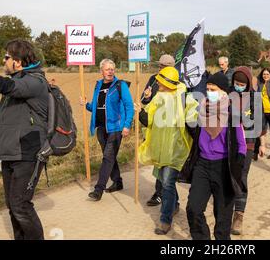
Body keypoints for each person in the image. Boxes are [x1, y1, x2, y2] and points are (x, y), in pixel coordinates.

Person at [0, 39, 49, 240]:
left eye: (6, 57)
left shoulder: (34, 81)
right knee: (13, 206)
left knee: (21, 205)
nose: (4, 61)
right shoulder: (19, 81)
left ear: (18, 61)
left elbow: (1, 84)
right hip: (11, 152)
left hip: (28, 153)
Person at [181, 72, 246, 240]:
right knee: (193, 209)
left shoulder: (232, 113)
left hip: (223, 167)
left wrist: (238, 162)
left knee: (223, 218)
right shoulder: (202, 109)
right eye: (207, 89)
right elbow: (195, 133)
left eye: (213, 89)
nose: (209, 92)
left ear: (223, 92)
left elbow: (241, 143)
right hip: (202, 165)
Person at [137, 66, 199, 235]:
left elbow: (194, 124)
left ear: (166, 82)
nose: (157, 82)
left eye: (160, 80)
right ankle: (175, 204)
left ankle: (165, 220)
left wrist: (200, 148)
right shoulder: (159, 97)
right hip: (161, 149)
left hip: (176, 150)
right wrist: (141, 111)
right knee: (166, 182)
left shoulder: (186, 99)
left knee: (167, 182)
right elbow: (149, 120)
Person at [80, 59, 134, 201]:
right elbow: (96, 107)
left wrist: (127, 125)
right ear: (101, 71)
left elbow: (129, 106)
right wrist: (86, 105)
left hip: (116, 128)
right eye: (107, 69)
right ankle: (117, 181)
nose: (110, 71)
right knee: (109, 157)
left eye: (112, 69)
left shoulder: (120, 85)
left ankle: (98, 190)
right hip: (101, 128)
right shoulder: (98, 85)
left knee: (107, 157)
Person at [230, 67, 265, 235]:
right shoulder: (227, 97)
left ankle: (239, 214)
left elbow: (261, 124)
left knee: (241, 177)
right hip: (229, 144)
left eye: (242, 84)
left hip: (248, 144)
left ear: (248, 84)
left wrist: (263, 144)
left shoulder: (255, 100)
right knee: (227, 175)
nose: (239, 86)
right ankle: (227, 206)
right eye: (236, 83)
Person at [141, 54, 176, 207]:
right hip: (154, 125)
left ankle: (163, 195)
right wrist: (147, 97)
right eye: (160, 66)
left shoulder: (177, 82)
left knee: (164, 165)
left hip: (169, 127)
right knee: (158, 162)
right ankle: (162, 194)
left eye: (164, 66)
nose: (160, 68)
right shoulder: (153, 79)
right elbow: (145, 99)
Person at [253, 68, 270, 160]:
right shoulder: (259, 84)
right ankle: (256, 152)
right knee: (259, 132)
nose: (265, 76)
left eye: (267, 74)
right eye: (264, 74)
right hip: (261, 111)